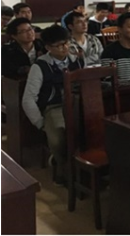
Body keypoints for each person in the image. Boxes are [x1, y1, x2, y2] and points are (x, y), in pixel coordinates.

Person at [22, 25, 84, 185]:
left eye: (66, 43)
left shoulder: (76, 60)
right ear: (48, 47)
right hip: (54, 107)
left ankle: (84, 168)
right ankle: (63, 170)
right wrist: (40, 123)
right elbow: (28, 99)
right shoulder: (40, 66)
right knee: (59, 138)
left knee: (91, 130)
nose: (64, 48)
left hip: (77, 104)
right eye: (59, 45)